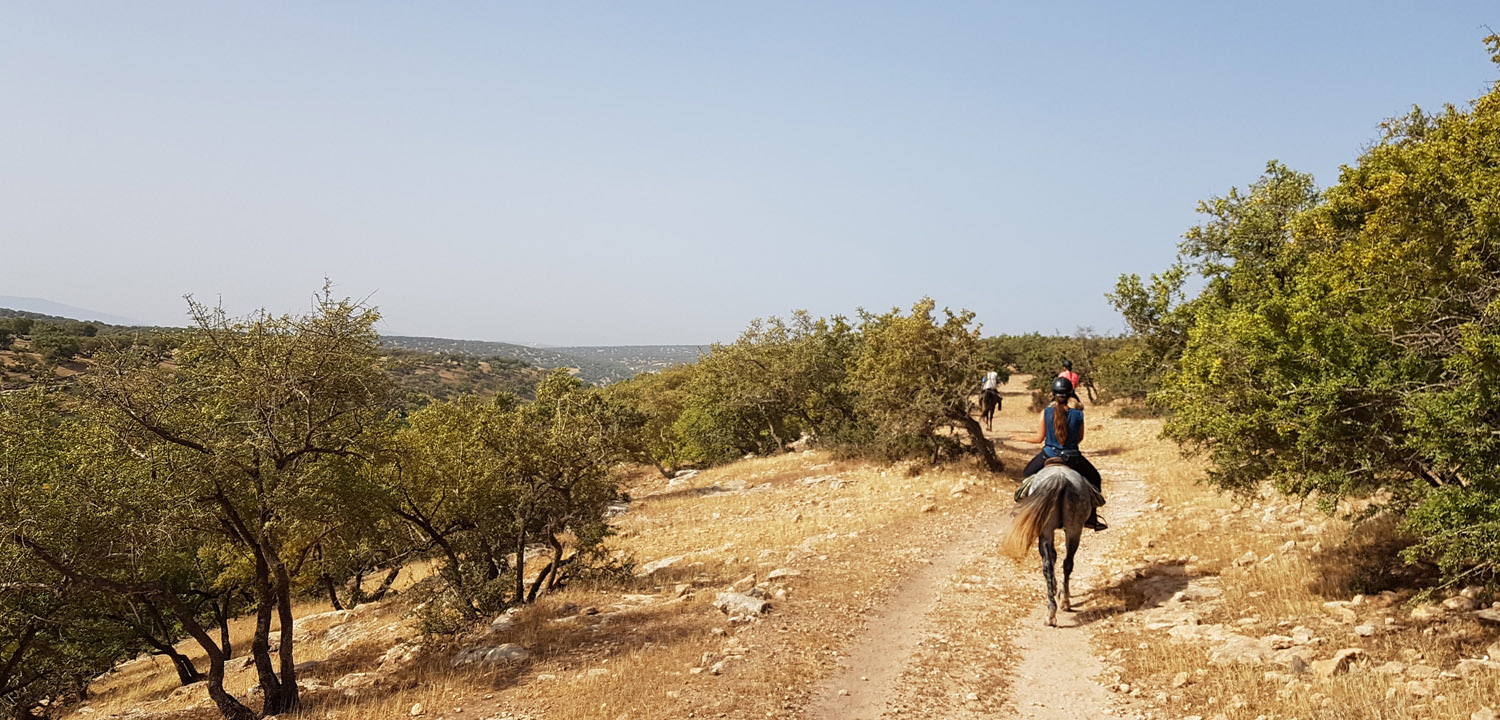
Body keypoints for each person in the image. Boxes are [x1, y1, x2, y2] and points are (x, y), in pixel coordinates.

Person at [1016, 376, 1106, 530]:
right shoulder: (1078, 415)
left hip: (1049, 455)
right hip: (1072, 458)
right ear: (1070, 394)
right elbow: (1080, 438)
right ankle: (1092, 518)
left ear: (1053, 394)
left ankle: (1022, 510)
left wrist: (1022, 438)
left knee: (1026, 474)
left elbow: (1039, 439)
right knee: (1095, 479)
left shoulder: (1046, 413)